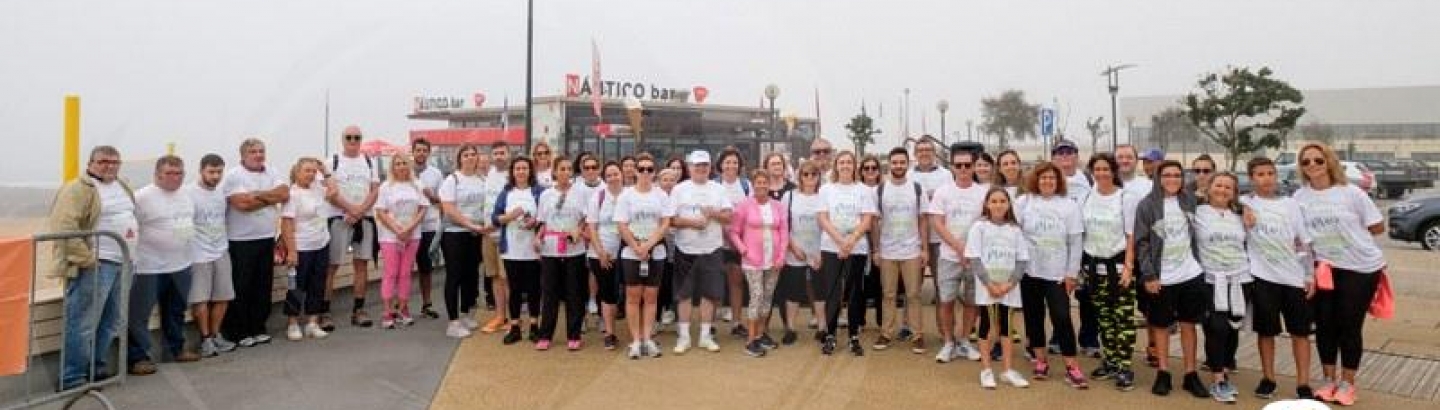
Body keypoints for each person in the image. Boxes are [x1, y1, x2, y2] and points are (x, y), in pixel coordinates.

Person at [1292, 142, 1385, 406]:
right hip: (1323, 269)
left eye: (1318, 160)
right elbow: (1297, 236)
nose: (1312, 165)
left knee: (1349, 326)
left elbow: (1378, 227)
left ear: (1329, 162)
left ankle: (1348, 384)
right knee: (1324, 326)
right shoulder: (1300, 197)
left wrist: (1350, 236)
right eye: (1306, 162)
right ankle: (1328, 379)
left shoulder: (1351, 193)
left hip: (1359, 269)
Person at [51, 146, 136, 390]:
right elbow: (63, 227)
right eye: (103, 161)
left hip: (124, 263)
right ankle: (72, 378)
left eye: (115, 161)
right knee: (82, 323)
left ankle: (95, 369)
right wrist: (88, 261)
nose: (109, 166)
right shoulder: (78, 189)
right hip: (96, 265)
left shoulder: (123, 185)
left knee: (112, 321)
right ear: (90, 163)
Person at [1241, 156, 1317, 400]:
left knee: (1300, 333)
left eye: (1270, 173)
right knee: (1266, 332)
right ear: (1251, 178)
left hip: (1293, 279)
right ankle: (1268, 378)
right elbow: (1217, 197)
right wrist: (1241, 209)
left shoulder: (1291, 204)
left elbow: (1304, 241)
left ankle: (1303, 383)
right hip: (1263, 277)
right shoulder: (1244, 203)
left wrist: (1309, 274)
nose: (1266, 179)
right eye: (1260, 174)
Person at [1135, 160, 1210, 398]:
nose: (1172, 180)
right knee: (1160, 326)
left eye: (1177, 175)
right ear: (1158, 178)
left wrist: (1243, 209)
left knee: (1189, 325)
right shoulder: (1147, 205)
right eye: (1167, 175)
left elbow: (1224, 203)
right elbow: (1142, 242)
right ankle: (1163, 372)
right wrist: (1148, 274)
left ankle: (1190, 374)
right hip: (1161, 277)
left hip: (1190, 273)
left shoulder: (1189, 200)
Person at [1016, 161, 1087, 388]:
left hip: (1057, 274)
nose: (1047, 182)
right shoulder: (1023, 202)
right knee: (1033, 317)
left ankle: (1072, 366)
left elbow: (1075, 242)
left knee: (1062, 317)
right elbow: (1013, 233)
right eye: (1043, 178)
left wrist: (1071, 274)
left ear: (1058, 182)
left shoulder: (1069, 206)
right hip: (1030, 272)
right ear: (1035, 180)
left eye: (1052, 178)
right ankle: (1040, 360)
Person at [129, 155, 202, 375]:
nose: (175, 177)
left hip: (180, 264)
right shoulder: (141, 197)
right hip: (148, 267)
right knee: (139, 314)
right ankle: (138, 358)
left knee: (176, 310)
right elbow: (131, 228)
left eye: (179, 173)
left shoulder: (187, 195)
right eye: (169, 173)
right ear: (157, 174)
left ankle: (175, 350)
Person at [1079, 154, 1142, 390]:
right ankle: (1111, 361)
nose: (1102, 173)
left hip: (1119, 267)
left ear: (1114, 171)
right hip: (1095, 268)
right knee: (1104, 319)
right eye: (1098, 169)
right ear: (1092, 171)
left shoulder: (1125, 197)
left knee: (1123, 318)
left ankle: (1125, 366)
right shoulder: (1087, 197)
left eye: (1106, 169)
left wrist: (1129, 267)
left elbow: (1131, 235)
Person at [222, 138, 289, 348]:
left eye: (261, 151)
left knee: (262, 286)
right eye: (253, 152)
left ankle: (258, 327)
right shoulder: (234, 176)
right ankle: (238, 331)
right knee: (241, 287)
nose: (258, 155)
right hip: (241, 241)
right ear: (243, 155)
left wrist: (258, 195)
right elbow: (242, 204)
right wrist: (270, 197)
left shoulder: (272, 171)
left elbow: (284, 193)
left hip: (266, 238)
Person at [670, 150, 733, 354]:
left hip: (712, 249)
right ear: (690, 167)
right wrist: (692, 222)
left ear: (710, 167)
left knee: (710, 294)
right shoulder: (679, 189)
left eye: (705, 165)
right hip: (685, 249)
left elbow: (729, 217)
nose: (701, 168)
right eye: (697, 165)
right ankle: (684, 337)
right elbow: (671, 220)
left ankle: (705, 336)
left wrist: (713, 213)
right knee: (684, 295)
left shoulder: (718, 188)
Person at [1193, 172, 1249, 403]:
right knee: (1216, 327)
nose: (1222, 190)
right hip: (1210, 279)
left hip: (1240, 278)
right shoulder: (1197, 213)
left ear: (1234, 192)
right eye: (1218, 185)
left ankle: (1225, 366)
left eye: (1228, 187)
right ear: (1209, 188)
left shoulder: (1241, 214)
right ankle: (1218, 380)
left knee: (1232, 328)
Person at [967, 187, 1031, 390]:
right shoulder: (979, 227)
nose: (998, 205)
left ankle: (1007, 370)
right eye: (993, 201)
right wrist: (989, 284)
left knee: (1006, 327)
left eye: (1002, 201)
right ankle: (986, 370)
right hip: (988, 288)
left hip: (1008, 288)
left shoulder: (1015, 229)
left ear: (1009, 204)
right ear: (986, 204)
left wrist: (1009, 284)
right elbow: (975, 258)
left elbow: (1022, 260)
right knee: (986, 325)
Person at [927, 148, 987, 362]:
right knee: (946, 301)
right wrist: (959, 247)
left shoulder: (982, 193)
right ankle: (948, 342)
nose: (963, 169)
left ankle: (964, 341)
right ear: (952, 167)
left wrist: (970, 250)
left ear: (973, 167)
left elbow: (985, 223)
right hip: (948, 257)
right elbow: (937, 223)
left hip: (975, 258)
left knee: (972, 302)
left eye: (967, 165)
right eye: (958, 165)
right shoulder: (943, 192)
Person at [816, 150, 877, 356]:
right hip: (831, 247)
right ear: (836, 166)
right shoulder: (826, 190)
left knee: (854, 293)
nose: (845, 166)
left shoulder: (864, 190)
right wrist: (840, 241)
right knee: (832, 293)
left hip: (856, 248)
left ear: (854, 166)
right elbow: (823, 218)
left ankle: (853, 336)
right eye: (841, 162)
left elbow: (867, 219)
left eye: (848, 162)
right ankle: (830, 334)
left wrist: (851, 240)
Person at [613, 153, 674, 359]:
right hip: (631, 252)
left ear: (654, 172)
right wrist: (636, 246)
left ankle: (648, 338)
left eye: (650, 169)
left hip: (656, 252)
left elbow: (665, 223)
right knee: (632, 296)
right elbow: (621, 224)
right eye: (642, 169)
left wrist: (648, 245)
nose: (645, 173)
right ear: (635, 172)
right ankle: (636, 341)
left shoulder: (661, 196)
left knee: (650, 297)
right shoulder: (626, 196)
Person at [872, 147, 929, 352]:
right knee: (888, 294)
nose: (898, 166)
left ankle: (917, 335)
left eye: (902, 162)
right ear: (889, 164)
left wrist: (924, 249)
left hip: (911, 250)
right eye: (894, 162)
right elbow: (875, 223)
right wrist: (876, 250)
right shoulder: (879, 190)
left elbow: (923, 220)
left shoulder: (916, 188)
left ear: (908, 163)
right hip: (887, 251)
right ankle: (886, 333)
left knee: (913, 294)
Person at [324, 126, 381, 329]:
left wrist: (360, 211)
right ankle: (325, 311)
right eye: (349, 137)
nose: (353, 140)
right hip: (339, 219)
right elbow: (330, 192)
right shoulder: (331, 162)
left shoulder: (369, 161)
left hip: (364, 219)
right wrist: (351, 210)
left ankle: (359, 309)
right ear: (342, 139)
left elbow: (375, 191)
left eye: (357, 137)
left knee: (361, 265)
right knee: (332, 266)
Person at [728, 169, 790, 357]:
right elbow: (733, 232)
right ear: (753, 184)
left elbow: (784, 232)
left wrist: (781, 256)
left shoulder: (778, 206)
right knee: (757, 295)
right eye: (758, 182)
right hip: (752, 260)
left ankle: (761, 334)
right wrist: (744, 250)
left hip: (773, 260)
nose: (762, 185)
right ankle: (751, 340)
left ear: (769, 184)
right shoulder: (744, 206)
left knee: (768, 297)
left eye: (765, 182)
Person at [535, 156, 590, 350]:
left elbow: (586, 218)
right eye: (562, 169)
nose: (566, 172)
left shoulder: (580, 193)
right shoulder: (545, 195)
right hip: (550, 248)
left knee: (574, 292)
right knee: (549, 293)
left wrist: (578, 229)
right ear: (555, 172)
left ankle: (574, 335)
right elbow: (542, 221)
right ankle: (545, 335)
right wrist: (538, 238)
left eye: (569, 169)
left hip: (574, 248)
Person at [187, 154, 238, 356]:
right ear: (201, 170)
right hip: (198, 255)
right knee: (200, 299)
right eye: (211, 172)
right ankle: (205, 339)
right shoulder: (189, 193)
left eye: (219, 172)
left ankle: (216, 335)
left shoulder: (221, 193)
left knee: (223, 296)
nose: (216, 176)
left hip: (221, 251)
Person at [279, 157, 334, 341]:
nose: (311, 174)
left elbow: (334, 191)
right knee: (297, 286)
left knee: (318, 284)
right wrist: (292, 251)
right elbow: (286, 224)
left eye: (313, 171)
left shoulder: (318, 188)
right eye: (307, 170)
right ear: (297, 172)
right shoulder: (292, 194)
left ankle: (312, 322)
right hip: (302, 246)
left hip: (321, 243)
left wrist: (325, 171)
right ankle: (293, 323)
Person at [491, 156, 544, 344]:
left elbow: (546, 217)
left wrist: (534, 222)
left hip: (533, 249)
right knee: (514, 289)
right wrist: (511, 216)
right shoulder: (506, 193)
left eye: (524, 168)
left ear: (530, 171)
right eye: (517, 168)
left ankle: (534, 326)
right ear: (512, 172)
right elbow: (495, 219)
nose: (521, 171)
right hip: (511, 249)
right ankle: (514, 326)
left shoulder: (538, 191)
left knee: (534, 289)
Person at [438, 145, 487, 338]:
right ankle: (453, 321)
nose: (469, 158)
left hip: (475, 234)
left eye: (473, 154)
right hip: (454, 233)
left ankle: (465, 313)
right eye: (465, 155)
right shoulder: (452, 180)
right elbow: (449, 208)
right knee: (454, 276)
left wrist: (481, 226)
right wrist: (469, 224)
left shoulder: (482, 180)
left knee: (471, 275)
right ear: (459, 159)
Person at [375, 153, 428, 329]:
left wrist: (409, 229)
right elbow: (381, 212)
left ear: (409, 165)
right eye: (397, 164)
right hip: (390, 237)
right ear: (392, 167)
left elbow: (422, 209)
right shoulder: (386, 187)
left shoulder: (417, 185)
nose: (401, 167)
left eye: (404, 163)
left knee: (405, 273)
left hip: (413, 235)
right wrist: (398, 230)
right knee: (391, 273)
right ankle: (388, 311)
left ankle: (403, 308)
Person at [780, 160, 824, 346]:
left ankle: (823, 327)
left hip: (817, 252)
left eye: (813, 174)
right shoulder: (789, 196)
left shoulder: (824, 196)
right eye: (806, 174)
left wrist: (822, 252)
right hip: (795, 252)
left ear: (818, 177)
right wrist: (792, 247)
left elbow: (828, 225)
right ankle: (791, 328)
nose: (809, 178)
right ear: (800, 176)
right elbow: (782, 226)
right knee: (793, 292)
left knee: (819, 291)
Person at [586, 161, 626, 349]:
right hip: (601, 254)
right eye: (609, 175)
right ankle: (610, 333)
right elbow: (592, 228)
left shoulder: (630, 195)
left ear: (622, 174)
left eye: (615, 174)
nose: (612, 178)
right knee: (608, 294)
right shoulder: (598, 197)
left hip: (627, 253)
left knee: (630, 294)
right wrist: (601, 252)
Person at [715, 150, 752, 337]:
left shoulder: (746, 186)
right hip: (715, 241)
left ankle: (737, 323)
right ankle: (710, 324)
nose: (731, 166)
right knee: (713, 282)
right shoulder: (713, 185)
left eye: (734, 162)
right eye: (727, 162)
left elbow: (750, 212)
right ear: (720, 165)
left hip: (738, 242)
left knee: (736, 282)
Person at [479, 142, 513, 333]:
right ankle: (500, 316)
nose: (499, 156)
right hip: (487, 234)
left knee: (506, 277)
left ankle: (512, 317)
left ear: (509, 154)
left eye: (502, 153)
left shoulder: (513, 176)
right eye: (496, 153)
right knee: (494, 277)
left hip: (506, 234)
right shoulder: (488, 175)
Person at [412, 138, 444, 319]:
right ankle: (400, 306)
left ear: (428, 153)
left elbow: (442, 201)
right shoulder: (404, 170)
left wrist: (432, 196)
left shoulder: (436, 174)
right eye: (418, 150)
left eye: (425, 150)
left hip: (429, 225)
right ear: (413, 151)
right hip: (407, 227)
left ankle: (426, 304)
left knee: (426, 268)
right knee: (404, 269)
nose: (421, 153)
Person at [857, 155, 885, 330]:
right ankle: (859, 319)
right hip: (862, 238)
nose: (870, 171)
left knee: (881, 281)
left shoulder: (884, 189)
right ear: (861, 171)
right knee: (861, 281)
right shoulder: (857, 190)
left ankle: (882, 321)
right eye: (866, 168)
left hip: (883, 239)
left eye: (873, 168)